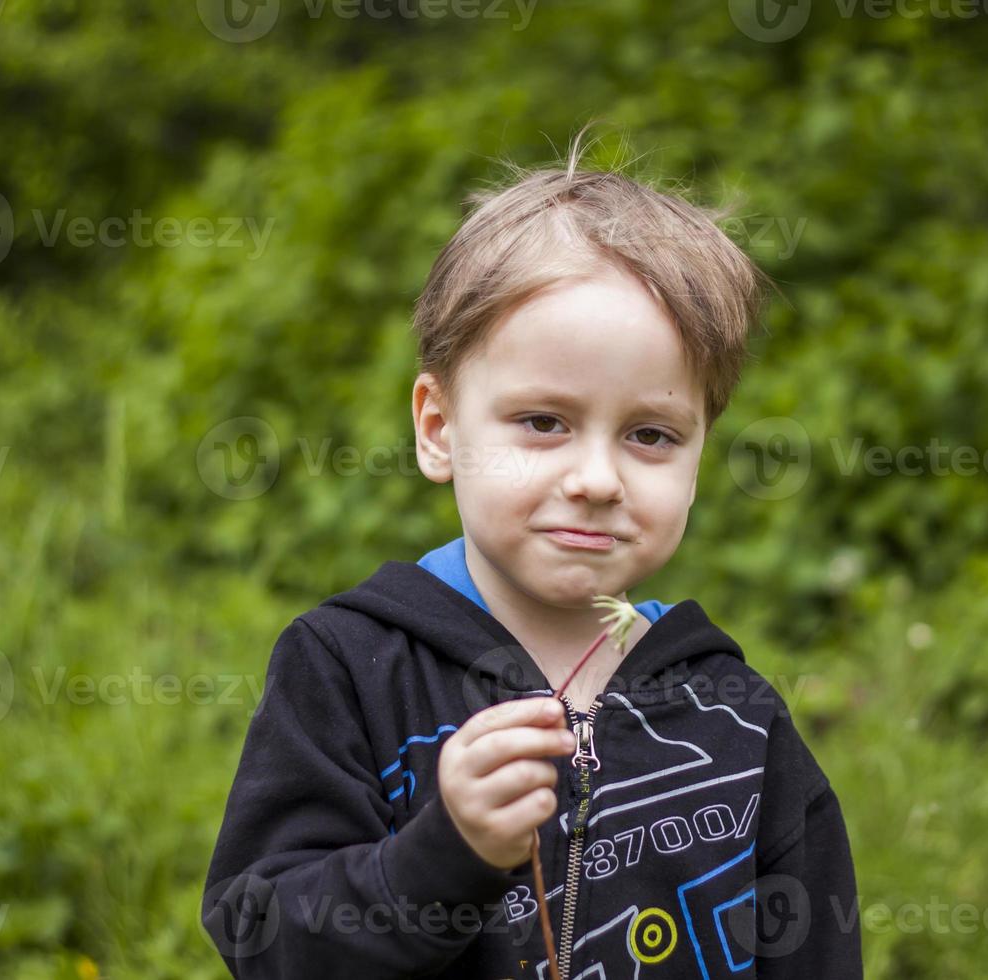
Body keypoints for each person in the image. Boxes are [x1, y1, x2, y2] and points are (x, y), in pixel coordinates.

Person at [201, 130, 863, 979]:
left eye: (650, 435)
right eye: (543, 422)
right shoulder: (351, 671)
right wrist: (440, 857)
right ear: (439, 429)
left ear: (700, 459)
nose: (596, 478)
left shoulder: (738, 717)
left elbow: (814, 951)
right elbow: (263, 937)